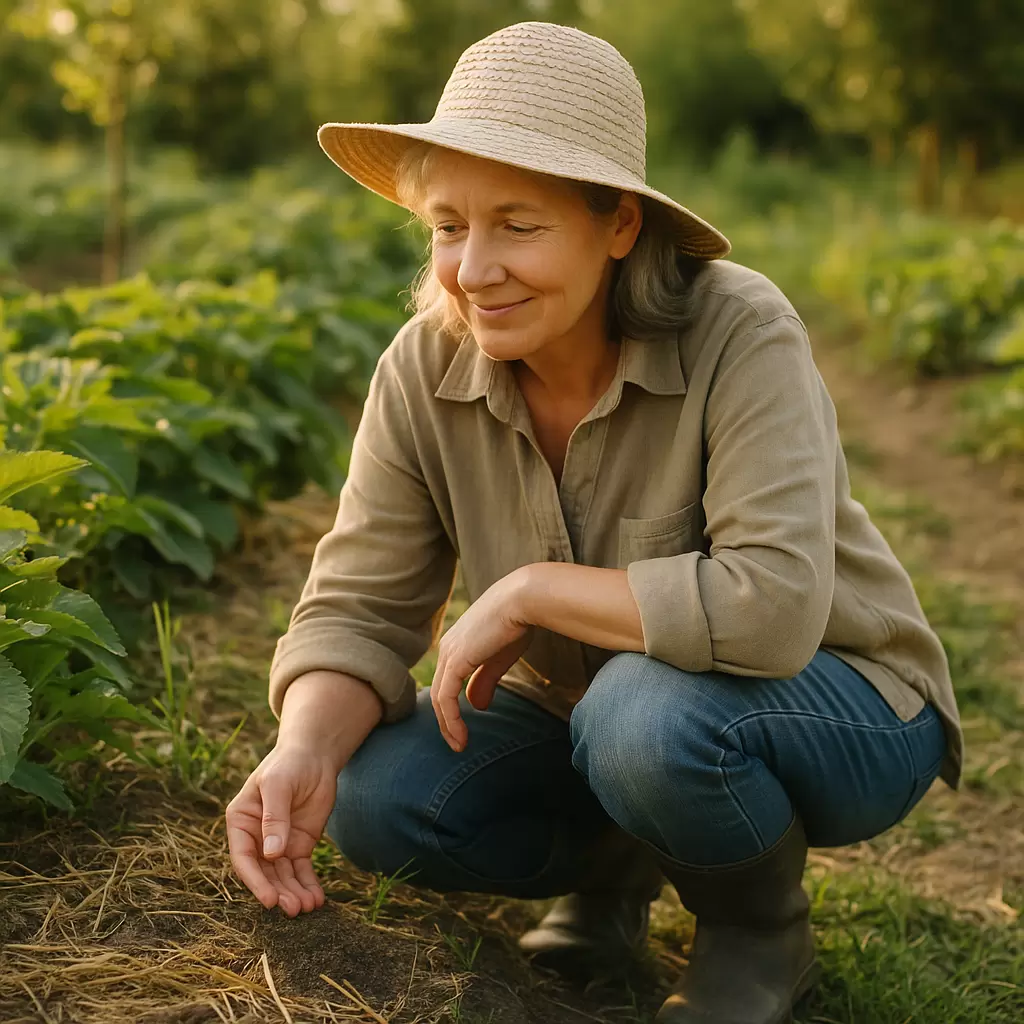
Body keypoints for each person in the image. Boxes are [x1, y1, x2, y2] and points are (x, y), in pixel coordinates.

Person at [226, 21, 962, 1024]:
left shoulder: (740, 331)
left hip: (841, 703)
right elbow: (357, 602)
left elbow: (774, 607)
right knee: (375, 794)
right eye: (448, 226)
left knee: (641, 717)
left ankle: (757, 929)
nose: (472, 269)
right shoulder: (421, 368)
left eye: (517, 225)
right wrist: (303, 747)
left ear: (618, 224)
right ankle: (619, 871)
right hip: (592, 717)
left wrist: (530, 591)